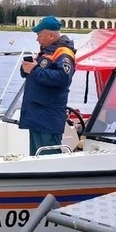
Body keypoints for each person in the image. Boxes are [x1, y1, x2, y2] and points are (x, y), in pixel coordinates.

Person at [19, 15, 77, 155]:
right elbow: (34, 74)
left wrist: (34, 69)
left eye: (39, 34)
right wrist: (26, 68)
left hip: (48, 118)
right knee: (37, 158)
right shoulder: (45, 52)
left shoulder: (64, 54)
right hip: (37, 117)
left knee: (48, 158)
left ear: (51, 35)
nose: (37, 38)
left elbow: (62, 78)